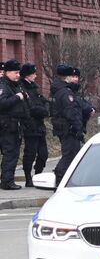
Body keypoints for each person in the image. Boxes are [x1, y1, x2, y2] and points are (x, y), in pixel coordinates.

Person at [50, 64, 92, 185]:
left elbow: (78, 108)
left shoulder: (68, 91)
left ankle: (65, 180)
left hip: (69, 128)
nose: (75, 79)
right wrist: (78, 128)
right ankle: (59, 181)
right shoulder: (65, 92)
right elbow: (71, 113)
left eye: (76, 77)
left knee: (72, 155)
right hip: (68, 129)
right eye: (72, 76)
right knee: (69, 156)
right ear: (66, 78)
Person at [19, 63, 48, 186]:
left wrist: (44, 109)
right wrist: (41, 110)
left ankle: (37, 175)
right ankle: (28, 178)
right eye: (34, 74)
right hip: (30, 126)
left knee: (43, 154)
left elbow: (44, 102)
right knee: (30, 154)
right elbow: (29, 108)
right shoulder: (22, 88)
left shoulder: (34, 88)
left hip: (40, 126)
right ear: (27, 75)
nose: (36, 76)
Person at [0, 60, 27, 190]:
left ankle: (8, 180)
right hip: (7, 127)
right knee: (10, 154)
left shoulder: (13, 85)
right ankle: (7, 182)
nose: (18, 75)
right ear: (7, 72)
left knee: (13, 154)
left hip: (14, 126)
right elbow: (2, 103)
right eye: (15, 72)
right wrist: (17, 97)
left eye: (18, 73)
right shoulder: (3, 86)